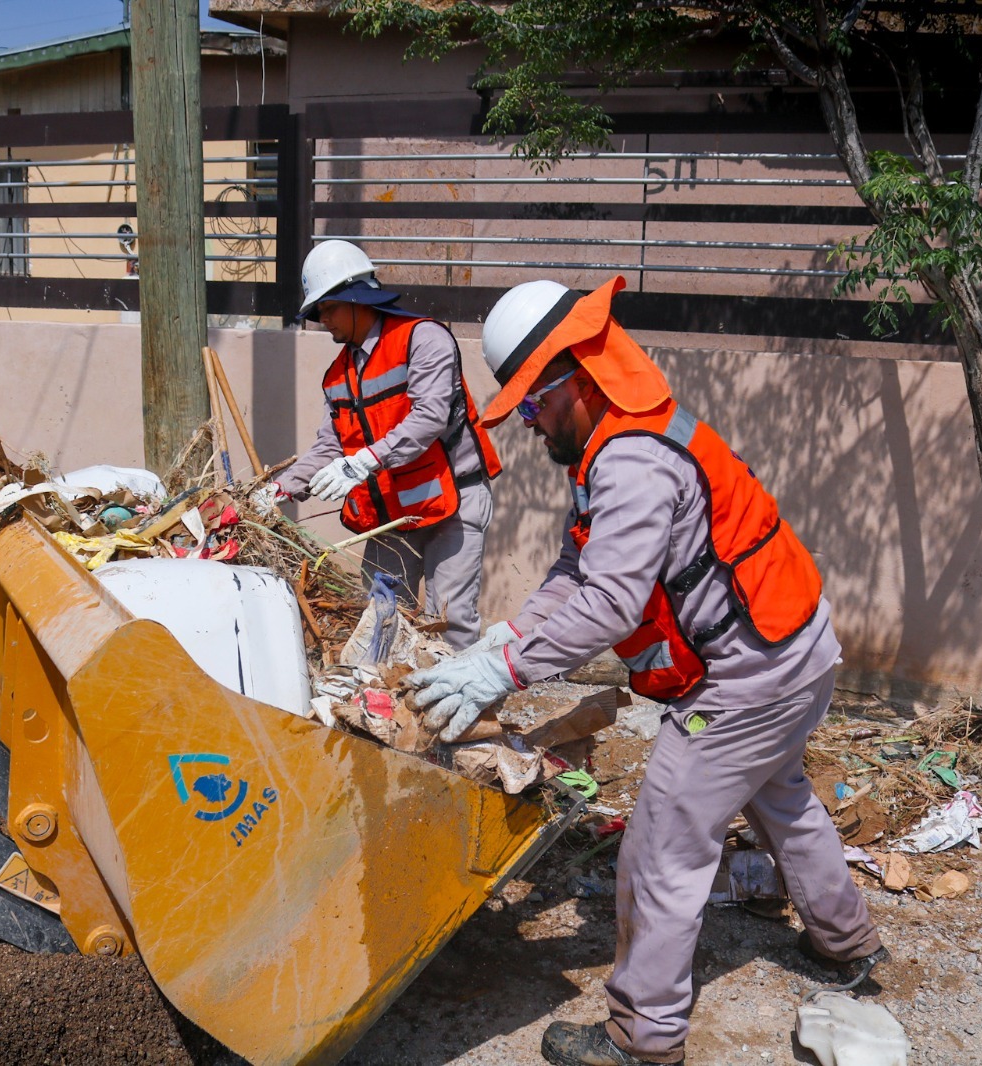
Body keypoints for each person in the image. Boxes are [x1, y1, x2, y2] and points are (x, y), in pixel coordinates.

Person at [406, 277, 884, 1066]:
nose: (527, 422)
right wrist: (510, 632)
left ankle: (643, 1037)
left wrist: (507, 673)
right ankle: (849, 944)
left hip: (747, 678)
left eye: (532, 404)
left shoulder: (631, 462)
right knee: (783, 801)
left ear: (577, 385)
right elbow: (577, 564)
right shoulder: (623, 438)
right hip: (794, 653)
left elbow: (611, 605)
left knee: (663, 845)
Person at [272, 240, 502, 649]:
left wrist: (364, 462)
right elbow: (331, 447)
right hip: (393, 511)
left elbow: (430, 417)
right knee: (378, 618)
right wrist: (277, 490)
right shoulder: (337, 376)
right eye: (319, 312)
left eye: (328, 308)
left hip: (454, 499)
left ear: (357, 298)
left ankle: (459, 707)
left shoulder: (424, 339)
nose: (323, 319)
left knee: (448, 622)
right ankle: (382, 709)